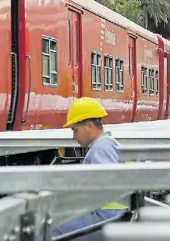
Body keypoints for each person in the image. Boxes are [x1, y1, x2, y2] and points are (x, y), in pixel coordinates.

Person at [50, 97, 129, 238]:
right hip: (110, 214)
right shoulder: (106, 144)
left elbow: (104, 184)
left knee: (47, 229)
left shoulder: (101, 148)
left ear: (89, 126)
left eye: (75, 130)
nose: (74, 136)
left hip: (106, 217)